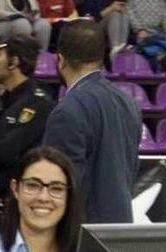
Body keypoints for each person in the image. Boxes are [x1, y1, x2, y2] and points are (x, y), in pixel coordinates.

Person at [42, 19, 141, 223]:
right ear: (101, 58)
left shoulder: (68, 110)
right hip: (120, 231)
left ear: (60, 60)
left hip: (82, 237)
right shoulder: (128, 102)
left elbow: (59, 187)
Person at [0, 35, 54, 237]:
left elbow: (5, 153)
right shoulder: (2, 101)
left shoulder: (37, 103)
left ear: (14, 62)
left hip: (16, 208)